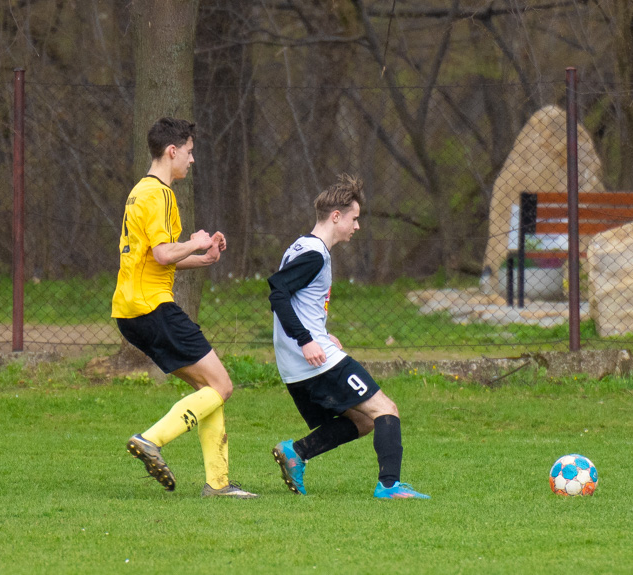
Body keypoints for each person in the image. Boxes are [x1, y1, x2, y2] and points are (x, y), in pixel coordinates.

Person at [112, 117, 257, 499]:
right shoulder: (158, 195)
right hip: (153, 308)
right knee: (222, 385)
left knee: (208, 388)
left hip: (131, 313)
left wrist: (203, 257)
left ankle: (219, 484)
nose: (192, 161)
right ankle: (150, 439)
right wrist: (195, 242)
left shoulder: (141, 192)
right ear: (172, 151)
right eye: (189, 153)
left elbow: (158, 258)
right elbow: (163, 253)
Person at [267, 174, 429, 500]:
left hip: (296, 363)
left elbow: (297, 300)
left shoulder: (302, 246)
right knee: (386, 410)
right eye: (354, 219)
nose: (357, 226)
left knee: (364, 420)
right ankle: (389, 486)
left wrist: (321, 332)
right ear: (336, 216)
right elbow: (278, 292)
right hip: (314, 358)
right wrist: (307, 340)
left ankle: (296, 452)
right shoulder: (314, 254)